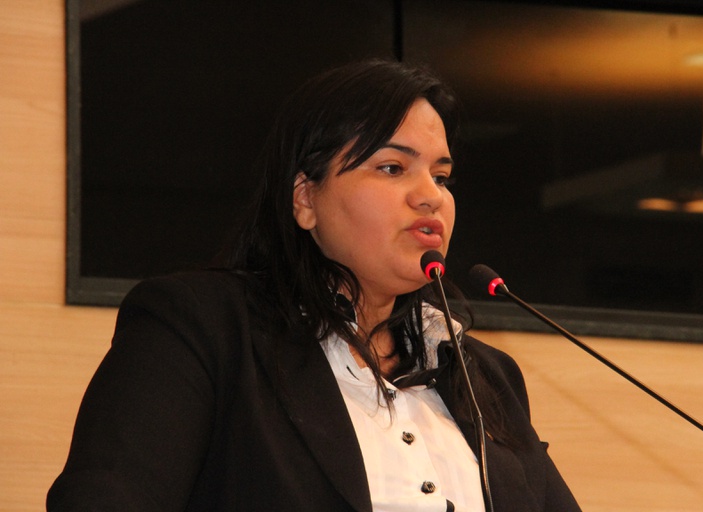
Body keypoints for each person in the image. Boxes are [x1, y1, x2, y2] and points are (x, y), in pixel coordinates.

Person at [48, 59, 581, 511]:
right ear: (305, 198)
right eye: (392, 168)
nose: (430, 196)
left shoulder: (484, 374)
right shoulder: (201, 330)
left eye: (441, 176)